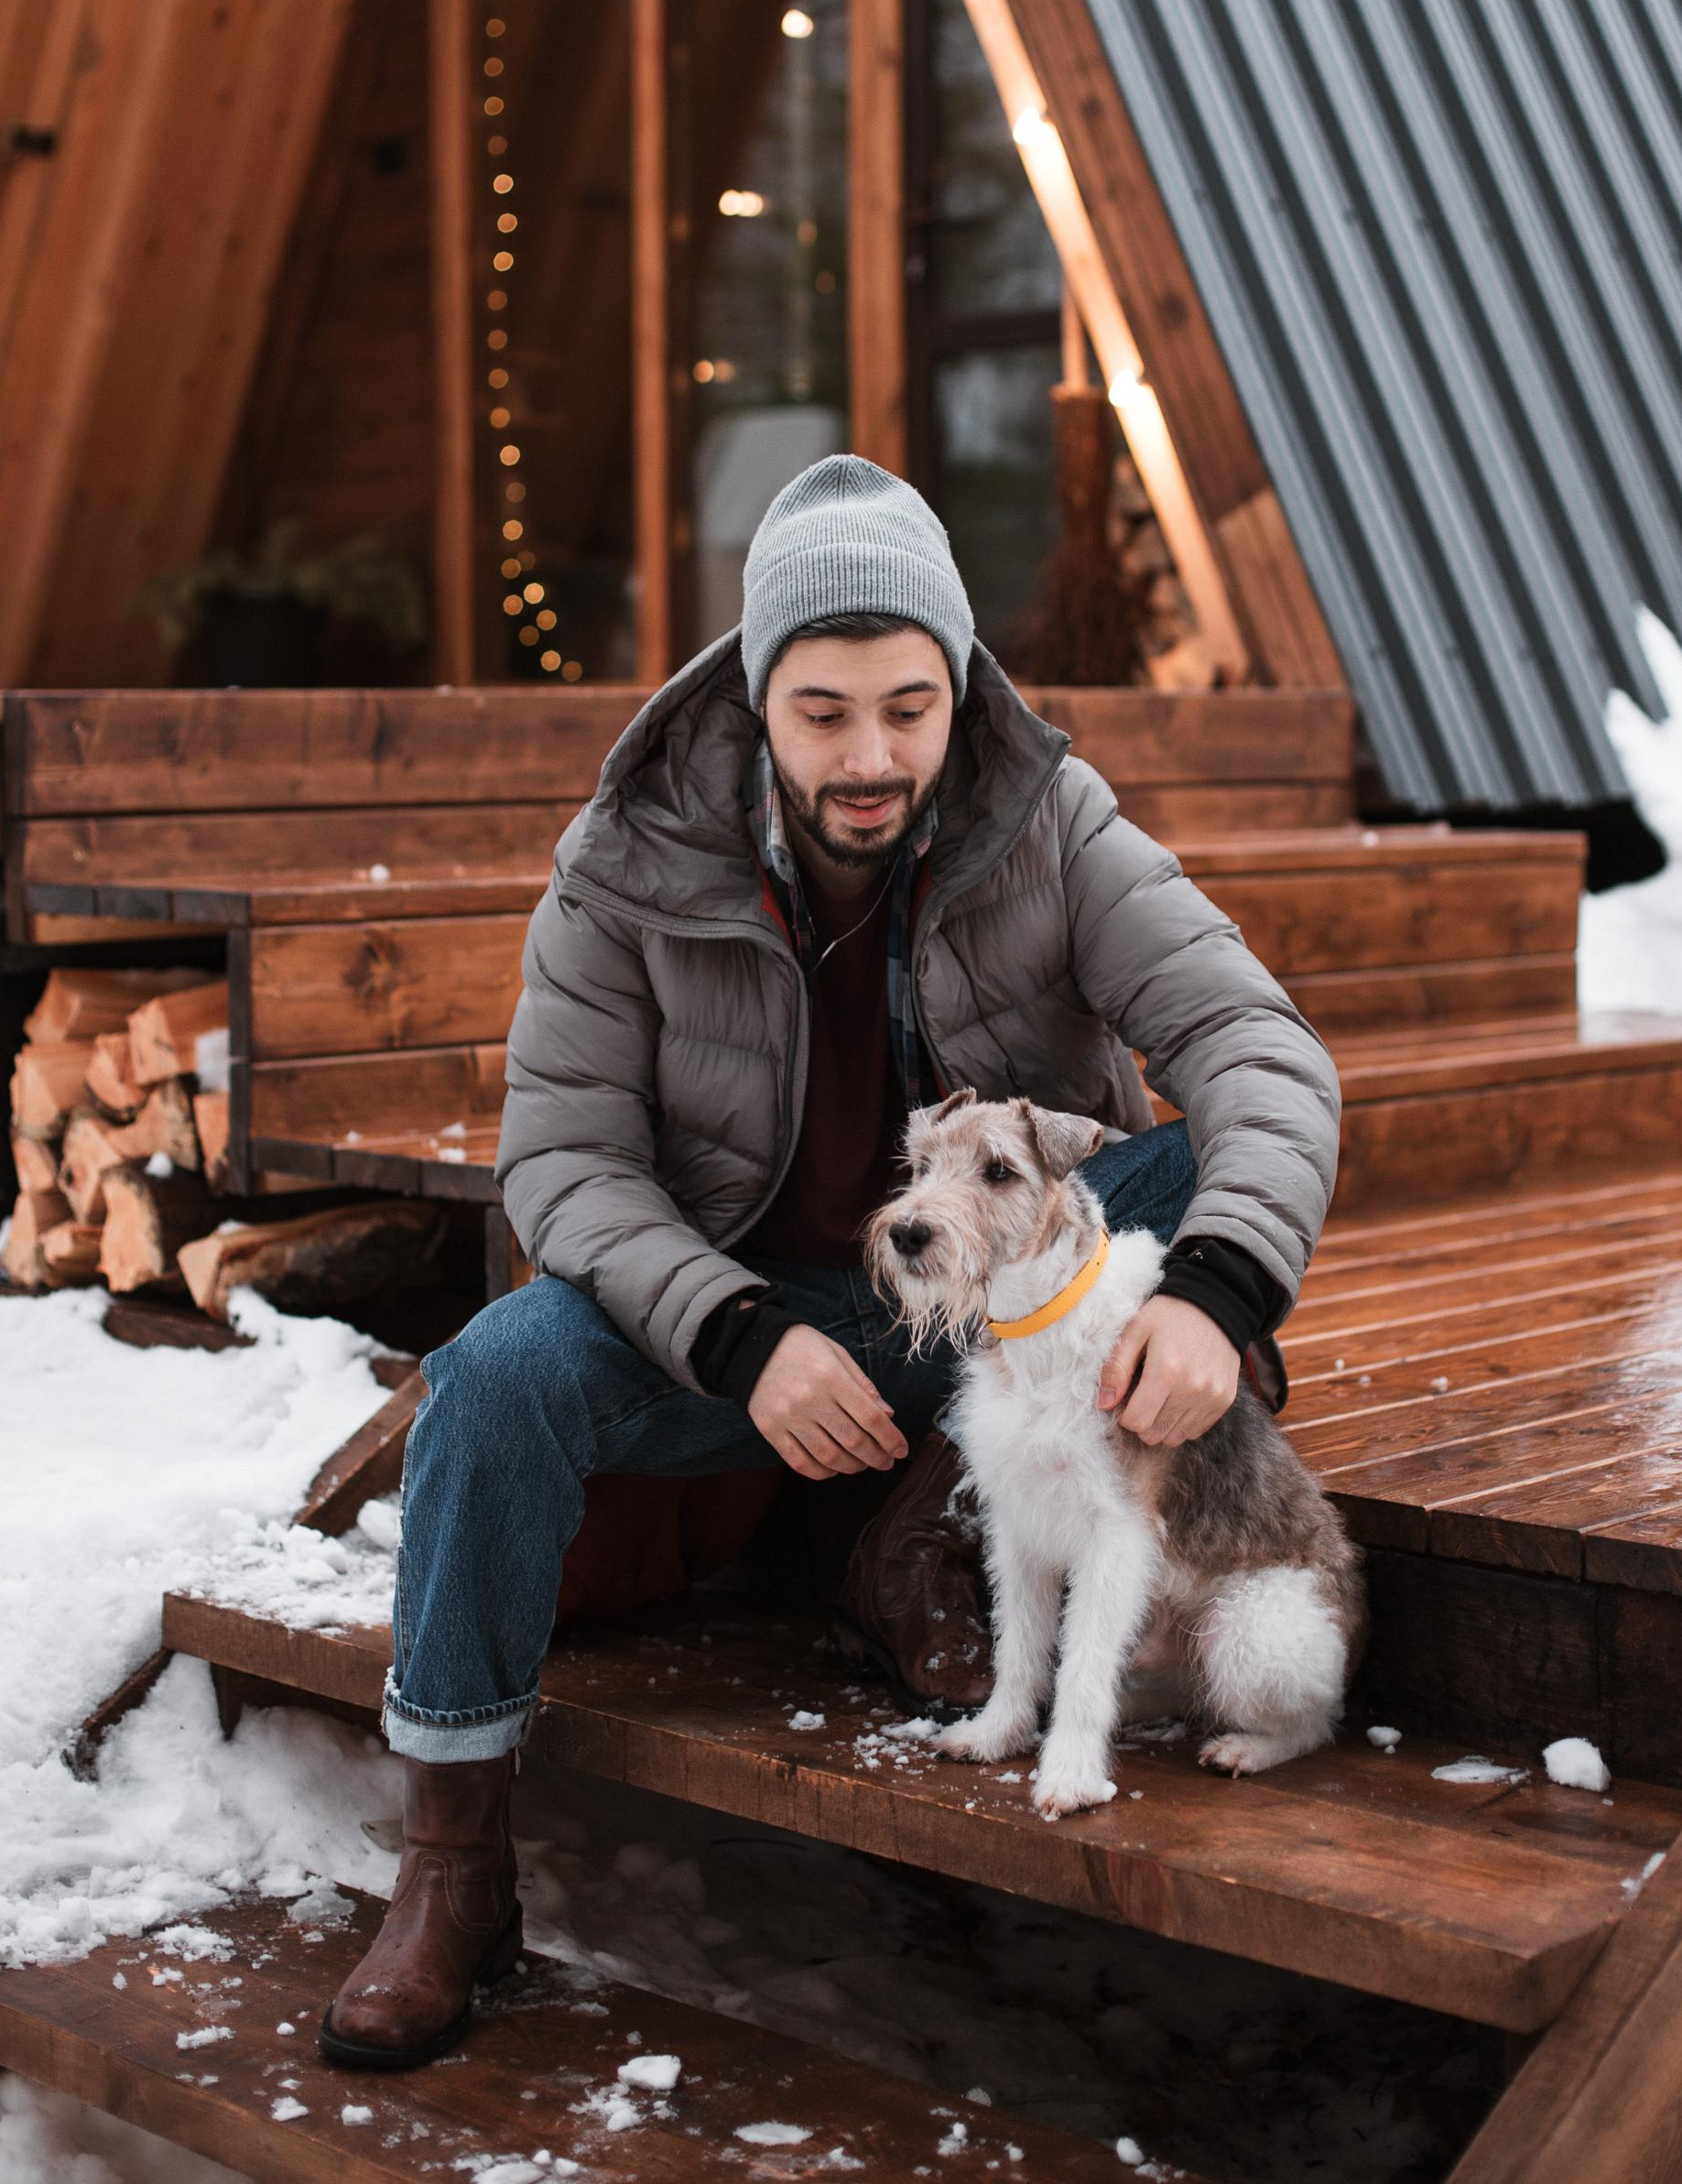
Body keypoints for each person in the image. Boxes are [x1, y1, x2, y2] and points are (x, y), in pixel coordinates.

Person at [320, 455, 1341, 2070]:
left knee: (1209, 1165)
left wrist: (1219, 1293)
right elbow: (562, 1162)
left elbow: (1259, 1047)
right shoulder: (627, 858)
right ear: (752, 694)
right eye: (823, 713)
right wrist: (733, 1336)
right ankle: (451, 1869)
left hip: (998, 1309)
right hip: (739, 1320)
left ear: (959, 690)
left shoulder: (1048, 816)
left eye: (909, 707)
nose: (873, 758)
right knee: (494, 1376)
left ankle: (926, 1527)